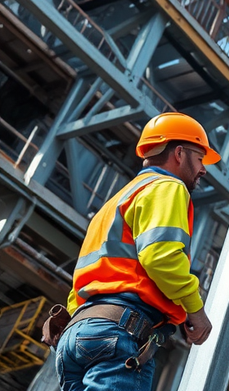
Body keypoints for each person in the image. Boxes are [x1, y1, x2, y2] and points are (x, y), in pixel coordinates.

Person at [45, 112, 216, 391]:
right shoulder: (168, 186)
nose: (203, 169)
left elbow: (84, 280)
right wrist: (194, 310)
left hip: (77, 333)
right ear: (179, 153)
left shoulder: (117, 200)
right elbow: (160, 256)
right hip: (120, 331)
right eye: (199, 158)